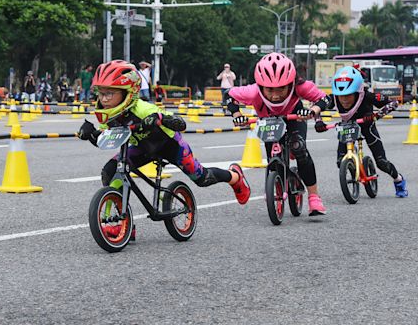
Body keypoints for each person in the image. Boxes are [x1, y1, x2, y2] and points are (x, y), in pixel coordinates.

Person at [78, 60, 251, 237]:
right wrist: (92, 135)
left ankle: (235, 177)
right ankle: (124, 222)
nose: (104, 99)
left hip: (170, 145)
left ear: (128, 93)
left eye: (110, 93)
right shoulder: (107, 114)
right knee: (110, 171)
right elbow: (109, 140)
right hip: (142, 148)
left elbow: (180, 124)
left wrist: (160, 118)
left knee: (202, 178)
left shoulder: (143, 109)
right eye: (101, 94)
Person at [224, 52, 331, 216]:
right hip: (268, 122)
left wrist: (312, 111)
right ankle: (279, 180)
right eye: (269, 90)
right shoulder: (253, 91)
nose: (275, 95)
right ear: (260, 86)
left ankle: (314, 197)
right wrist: (237, 115)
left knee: (299, 148)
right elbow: (229, 96)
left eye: (281, 88)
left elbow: (325, 99)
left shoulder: (300, 87)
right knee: (274, 158)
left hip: (294, 118)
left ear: (290, 83)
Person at [315, 66, 408, 197]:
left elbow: (393, 103)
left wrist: (377, 115)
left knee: (381, 162)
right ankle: (354, 170)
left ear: (357, 91)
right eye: (341, 96)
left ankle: (399, 180)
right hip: (347, 126)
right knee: (340, 161)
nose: (344, 100)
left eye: (348, 95)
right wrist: (318, 121)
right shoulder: (333, 98)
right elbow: (316, 107)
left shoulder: (367, 95)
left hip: (367, 125)